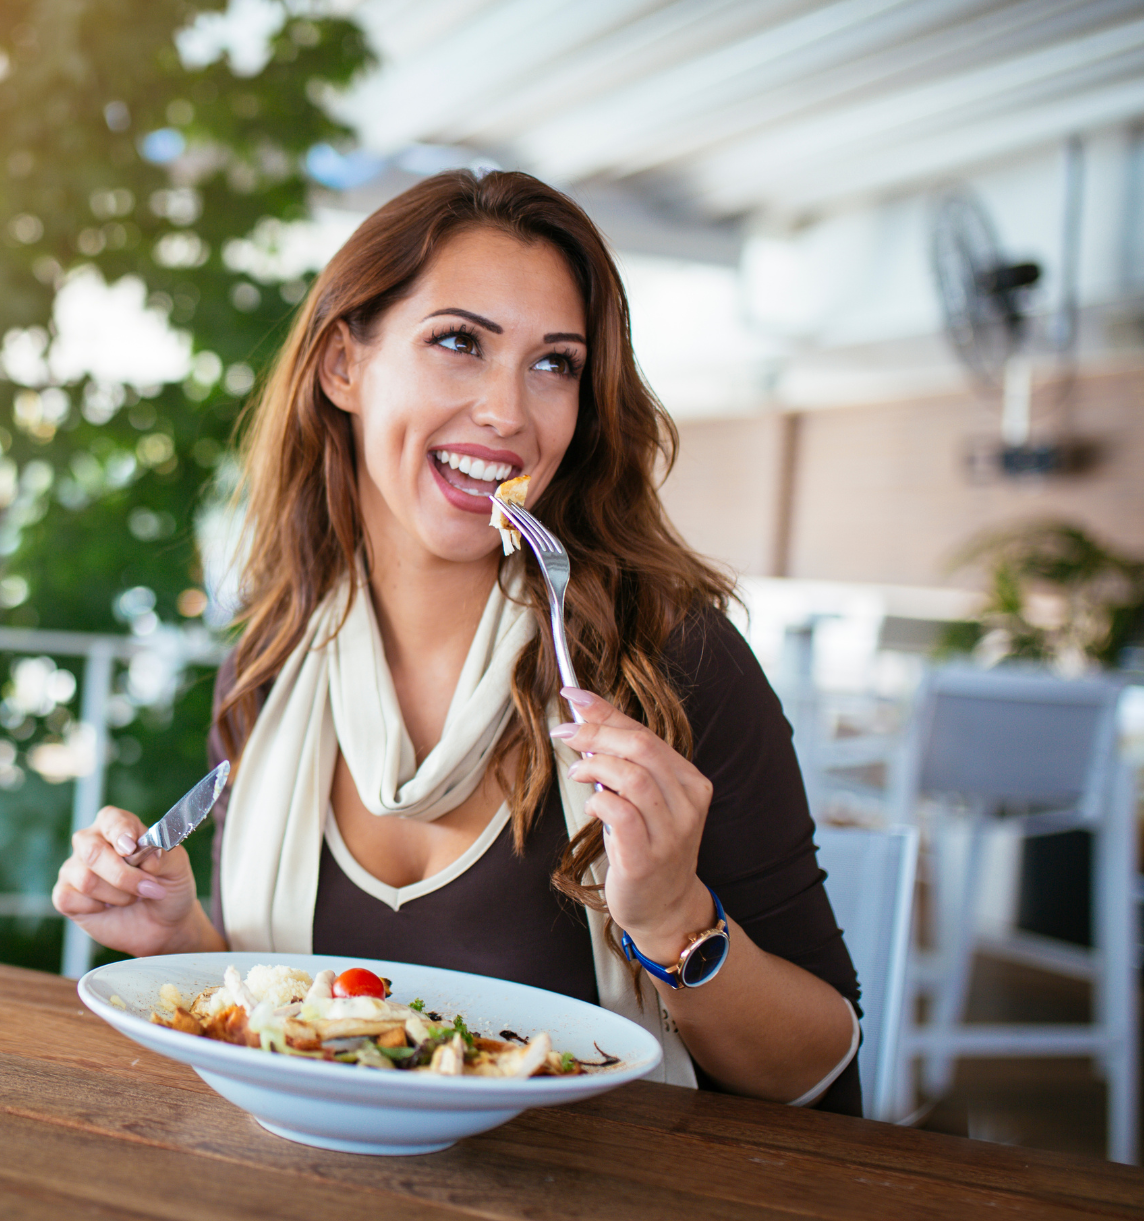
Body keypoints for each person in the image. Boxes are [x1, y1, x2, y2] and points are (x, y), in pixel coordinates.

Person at [53, 170, 863, 1113]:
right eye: (458, 343)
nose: (508, 414)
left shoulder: (672, 659)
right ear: (342, 366)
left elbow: (823, 1073)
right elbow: (296, 1026)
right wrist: (182, 939)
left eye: (553, 363)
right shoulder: (270, 673)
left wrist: (680, 920)